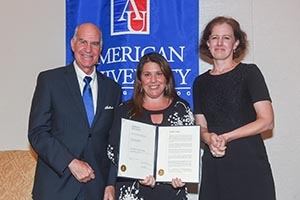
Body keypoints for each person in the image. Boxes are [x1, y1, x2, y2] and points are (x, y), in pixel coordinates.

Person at [28, 23, 121, 200]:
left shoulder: (113, 89)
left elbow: (113, 141)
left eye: (94, 44)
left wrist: (110, 183)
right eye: (83, 42)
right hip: (55, 188)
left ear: (101, 48)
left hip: (96, 189)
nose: (88, 49)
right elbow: (37, 133)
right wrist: (70, 162)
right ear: (72, 44)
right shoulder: (50, 81)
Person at [193, 16, 276, 200]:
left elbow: (267, 121)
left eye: (226, 37)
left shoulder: (250, 73)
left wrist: (226, 137)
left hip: (249, 164)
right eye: (214, 37)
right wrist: (208, 138)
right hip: (214, 165)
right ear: (207, 43)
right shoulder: (200, 82)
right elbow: (201, 125)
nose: (220, 43)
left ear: (236, 43)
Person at [107, 52, 195, 200]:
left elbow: (188, 152)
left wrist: (183, 175)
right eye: (147, 74)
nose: (153, 80)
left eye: (159, 74)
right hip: (133, 190)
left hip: (172, 192)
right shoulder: (125, 110)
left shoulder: (181, 108)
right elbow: (112, 150)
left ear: (166, 77)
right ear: (140, 79)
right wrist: (136, 171)